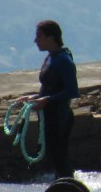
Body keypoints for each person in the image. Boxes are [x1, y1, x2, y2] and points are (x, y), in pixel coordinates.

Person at [19, 20, 79, 178]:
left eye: (39, 36)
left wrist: (47, 100)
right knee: (53, 156)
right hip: (49, 116)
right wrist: (34, 97)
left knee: (59, 157)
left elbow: (72, 91)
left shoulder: (63, 60)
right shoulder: (50, 57)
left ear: (51, 38)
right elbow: (51, 87)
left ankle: (69, 188)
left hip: (60, 117)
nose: (35, 40)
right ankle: (62, 185)